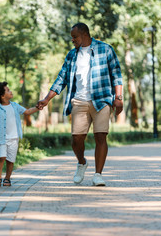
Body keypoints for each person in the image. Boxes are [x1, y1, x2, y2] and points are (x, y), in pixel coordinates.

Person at [37, 23, 123, 186]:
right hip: (78, 100)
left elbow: (116, 74)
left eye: (74, 37)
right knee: (76, 139)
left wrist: (118, 97)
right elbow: (61, 78)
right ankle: (82, 162)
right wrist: (47, 99)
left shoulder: (105, 49)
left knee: (101, 136)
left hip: (102, 99)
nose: (72, 40)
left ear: (84, 35)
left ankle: (98, 174)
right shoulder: (71, 55)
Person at [0, 81, 39, 186]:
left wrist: (37, 107)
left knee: (10, 160)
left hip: (14, 138)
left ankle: (7, 178)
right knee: (1, 157)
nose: (10, 91)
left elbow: (27, 111)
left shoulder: (15, 106)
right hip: (2, 139)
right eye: (8, 90)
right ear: (2, 96)